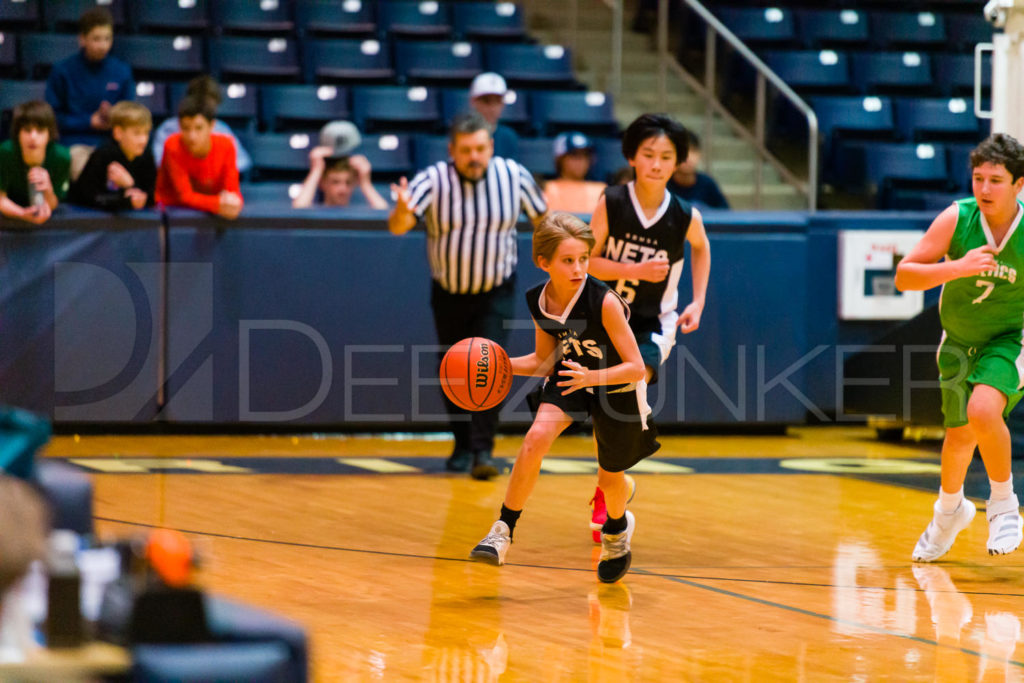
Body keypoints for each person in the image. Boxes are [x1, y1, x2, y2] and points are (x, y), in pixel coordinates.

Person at [469, 212, 658, 583]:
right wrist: (501, 365)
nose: (578, 268)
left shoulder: (604, 302)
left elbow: (637, 367)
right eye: (568, 261)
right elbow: (544, 360)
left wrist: (593, 376)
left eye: (583, 259)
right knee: (535, 438)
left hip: (615, 384)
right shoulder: (537, 299)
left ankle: (617, 529)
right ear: (544, 262)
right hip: (572, 376)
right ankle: (502, 531)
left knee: (610, 478)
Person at [389, 111, 547, 480]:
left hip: (496, 289)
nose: (474, 157)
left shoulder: (514, 176)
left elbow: (544, 219)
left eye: (480, 148)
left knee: (489, 365)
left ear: (490, 146)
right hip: (449, 291)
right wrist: (400, 209)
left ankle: (482, 450)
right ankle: (461, 443)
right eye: (466, 150)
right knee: (453, 370)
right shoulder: (432, 179)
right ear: (452, 150)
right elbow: (399, 227)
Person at [894, 133, 1024, 562]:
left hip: (1011, 339)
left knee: (983, 410)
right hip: (958, 340)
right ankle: (948, 512)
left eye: (996, 180)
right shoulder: (957, 218)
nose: (984, 189)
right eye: (978, 178)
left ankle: (1003, 505)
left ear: (1019, 185)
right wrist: (957, 267)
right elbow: (905, 275)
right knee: (958, 438)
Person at [587, 113, 711, 543]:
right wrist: (634, 267)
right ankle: (613, 483)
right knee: (607, 406)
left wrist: (697, 300)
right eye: (648, 155)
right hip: (605, 315)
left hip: (654, 324)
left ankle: (610, 489)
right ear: (632, 157)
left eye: (666, 157)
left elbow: (702, 249)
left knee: (631, 380)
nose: (656, 164)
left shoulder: (684, 215)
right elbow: (585, 261)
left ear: (677, 162)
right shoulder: (612, 202)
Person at [44, 7, 134, 148]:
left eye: (107, 39)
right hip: (74, 142)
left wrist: (114, 115)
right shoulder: (62, 71)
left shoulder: (122, 71)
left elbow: (131, 114)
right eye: (96, 39)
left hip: (112, 143)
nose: (103, 45)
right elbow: (53, 118)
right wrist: (89, 121)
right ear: (82, 39)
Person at [155, 94, 243, 219]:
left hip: (210, 208)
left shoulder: (227, 145)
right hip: (174, 209)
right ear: (179, 126)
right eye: (186, 128)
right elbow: (184, 196)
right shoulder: (172, 145)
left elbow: (232, 191)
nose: (192, 136)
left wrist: (232, 203)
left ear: (212, 126)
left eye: (199, 128)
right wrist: (219, 204)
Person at [151, 76, 252, 175]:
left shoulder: (222, 130)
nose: (192, 136)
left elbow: (242, 161)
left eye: (210, 106)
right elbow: (160, 163)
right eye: (186, 128)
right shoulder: (168, 129)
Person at [68, 101, 156, 211]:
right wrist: (123, 198)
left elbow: (151, 195)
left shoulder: (146, 154)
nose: (143, 140)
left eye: (146, 132)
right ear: (118, 133)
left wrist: (131, 185)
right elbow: (86, 198)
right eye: (137, 133)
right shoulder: (103, 154)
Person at [0, 100, 70, 225]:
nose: (33, 137)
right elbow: (1, 198)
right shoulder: (5, 152)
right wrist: (22, 213)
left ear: (50, 134)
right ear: (18, 133)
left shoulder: (62, 157)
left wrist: (48, 189)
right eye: (27, 130)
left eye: (40, 130)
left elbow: (54, 203)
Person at [292, 148, 387, 210]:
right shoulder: (315, 212)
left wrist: (366, 183)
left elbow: (384, 215)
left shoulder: (358, 214)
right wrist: (316, 170)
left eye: (348, 182)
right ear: (322, 183)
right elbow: (298, 211)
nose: (343, 189)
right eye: (335, 182)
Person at [543, 131, 607, 214]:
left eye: (585, 155)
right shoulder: (549, 188)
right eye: (574, 155)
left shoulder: (601, 189)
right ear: (560, 160)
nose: (581, 161)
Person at [666, 131, 730, 210]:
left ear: (699, 154)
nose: (688, 157)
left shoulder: (707, 184)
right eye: (683, 151)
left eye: (693, 151)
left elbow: (726, 212)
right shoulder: (663, 185)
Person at [468, 72, 519, 159]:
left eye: (497, 101)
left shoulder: (508, 137)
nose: (492, 108)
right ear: (473, 102)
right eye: (486, 101)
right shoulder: (463, 135)